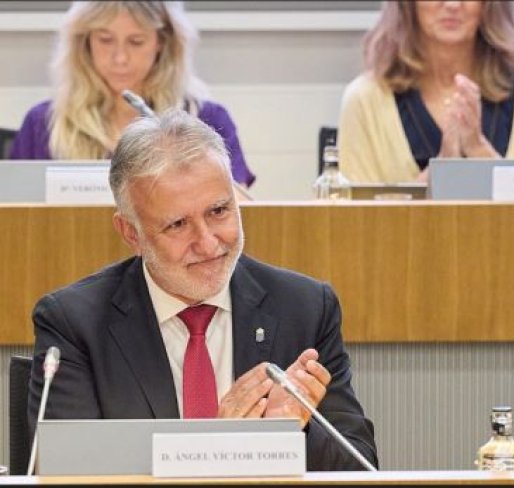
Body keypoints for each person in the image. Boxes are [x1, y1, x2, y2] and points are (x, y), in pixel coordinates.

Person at [27, 109, 376, 471]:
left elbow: (362, 467)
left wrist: (287, 431)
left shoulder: (304, 308)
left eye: (219, 211)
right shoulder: (75, 324)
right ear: (131, 233)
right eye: (178, 224)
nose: (208, 243)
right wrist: (217, 444)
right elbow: (66, 472)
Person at [10, 1, 256, 188]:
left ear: (162, 42)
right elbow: (14, 215)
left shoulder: (207, 119)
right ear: (85, 42)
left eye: (136, 41)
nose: (120, 58)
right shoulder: (43, 123)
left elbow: (234, 213)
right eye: (105, 40)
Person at [337, 0, 514, 183]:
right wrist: (441, 172)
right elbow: (355, 218)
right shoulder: (365, 99)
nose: (453, 4)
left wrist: (478, 150)